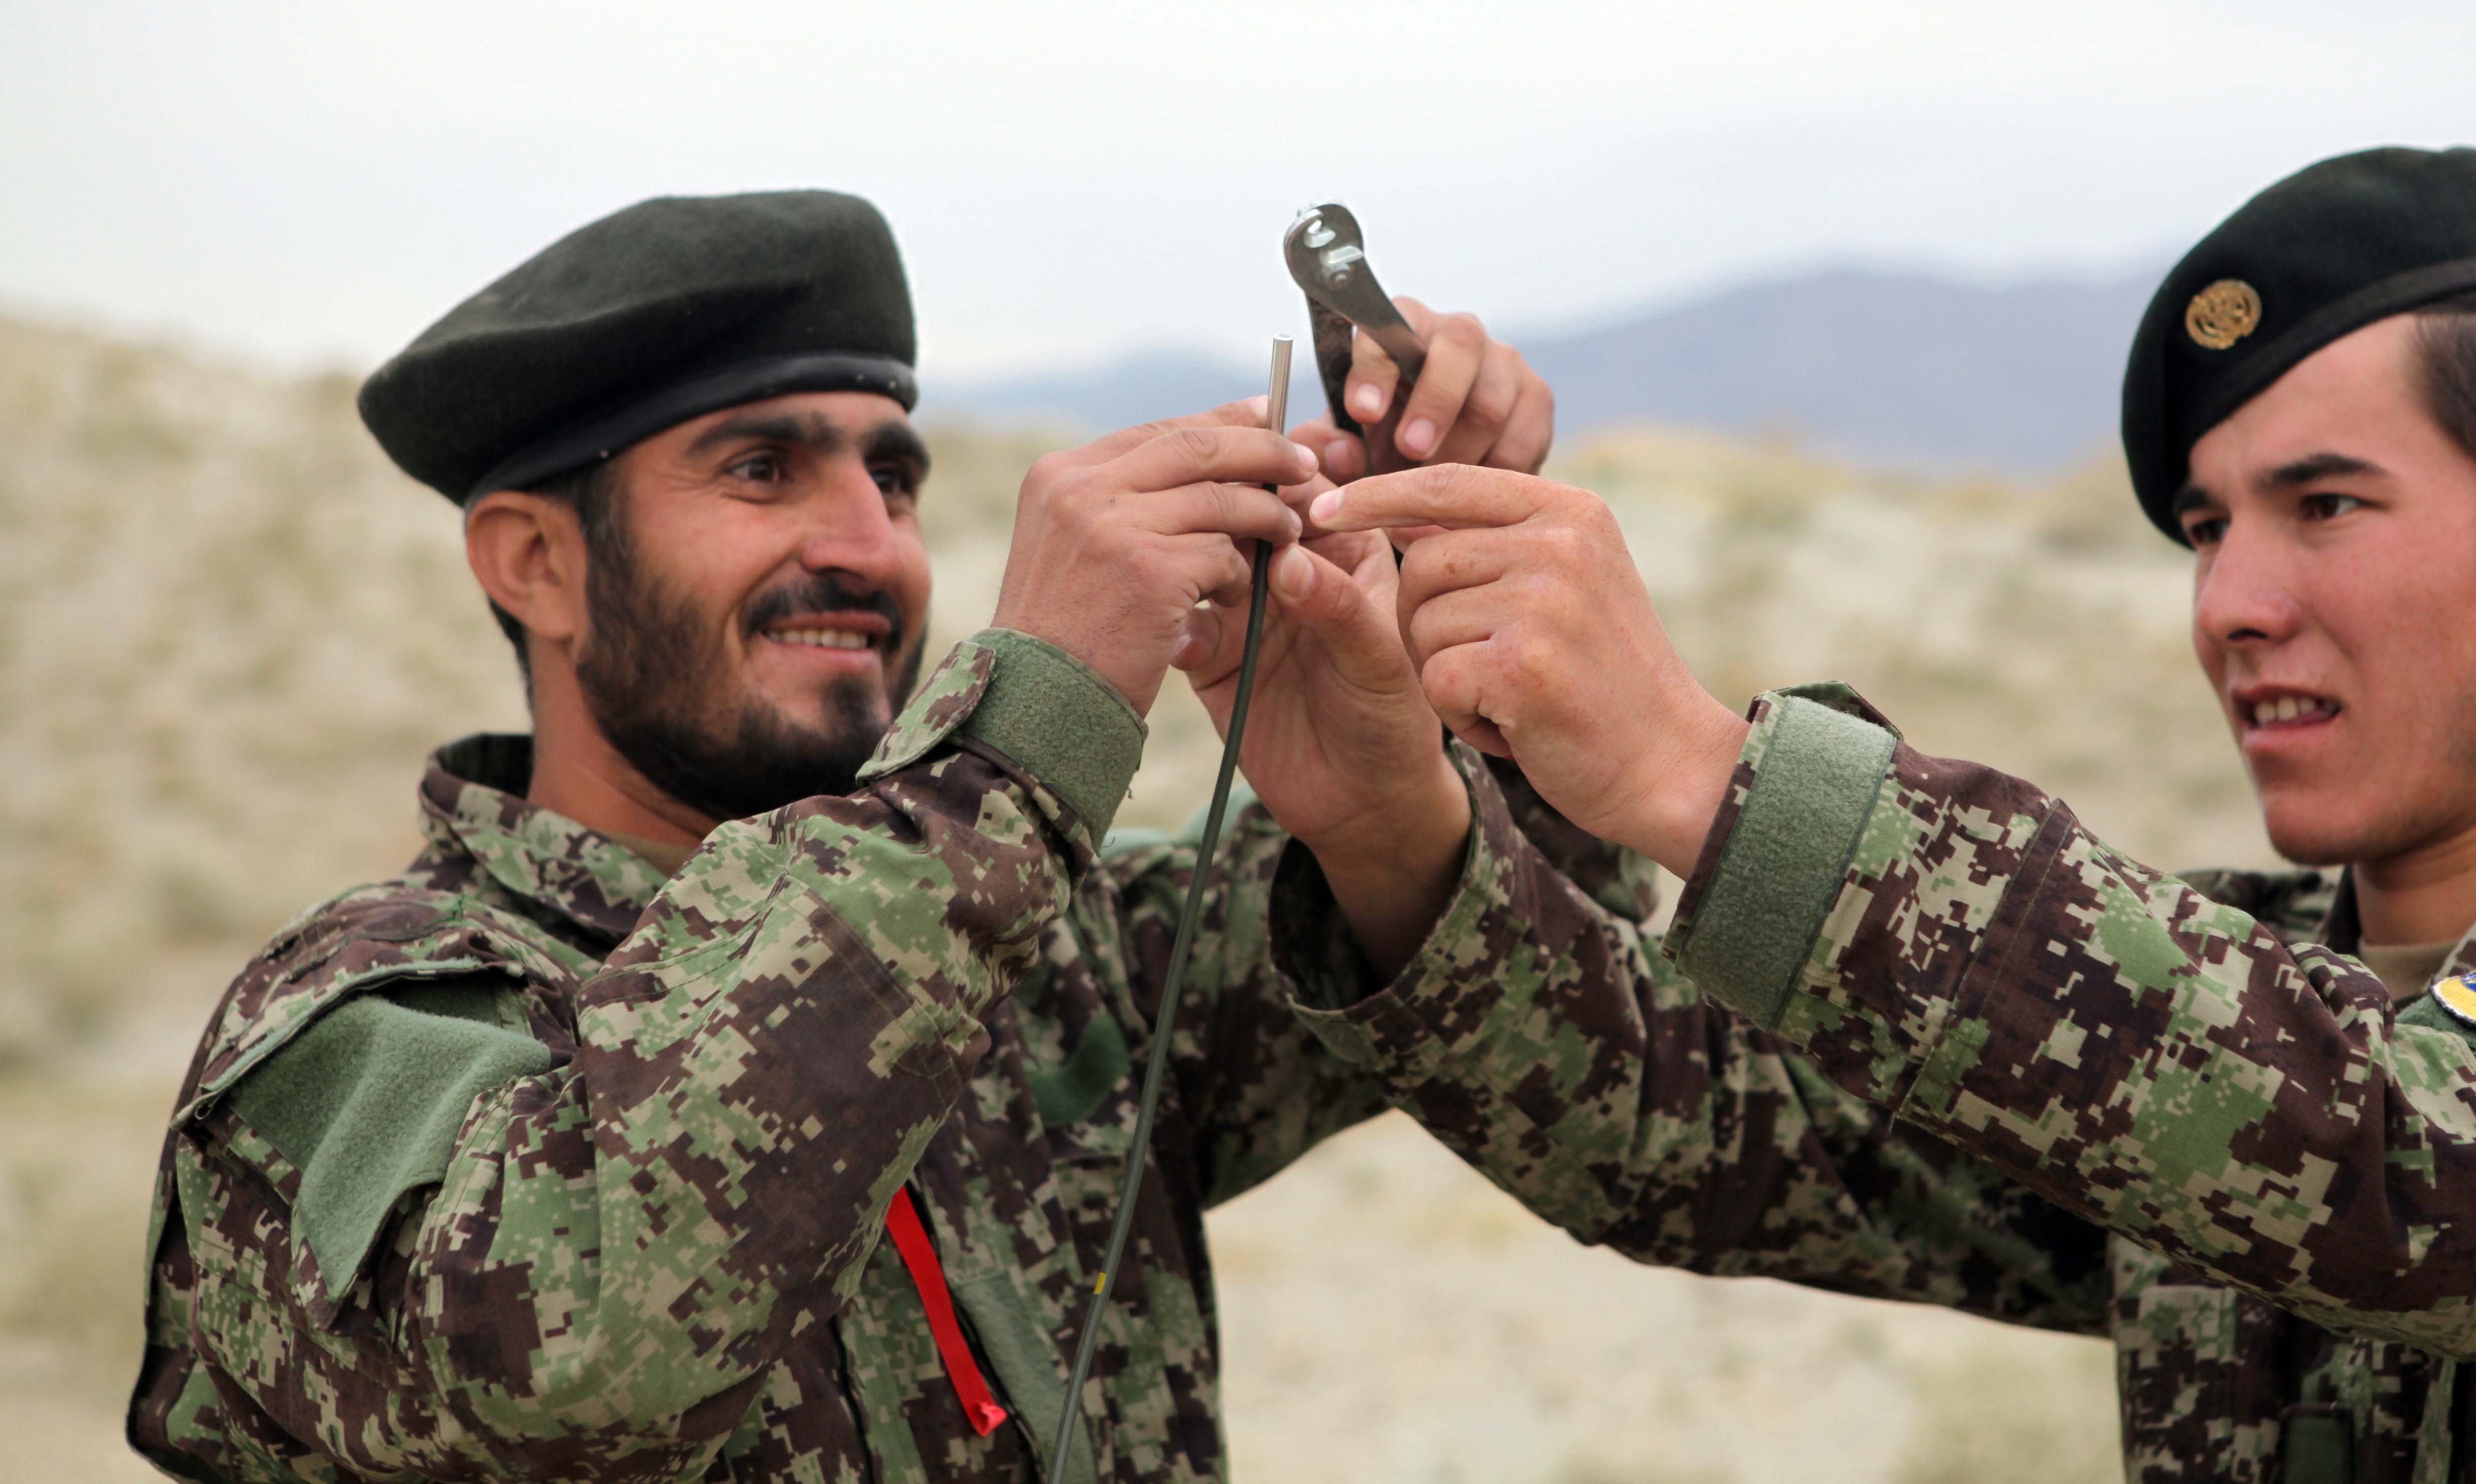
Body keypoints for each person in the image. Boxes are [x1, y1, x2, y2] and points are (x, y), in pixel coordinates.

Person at [1270, 147, 2476, 1479]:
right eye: (2207, 530)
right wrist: (1388, 812)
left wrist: (1702, 777)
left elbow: (2421, 1168)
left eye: (2326, 506)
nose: (2231, 604)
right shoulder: (2233, 994)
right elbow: (1676, 1115)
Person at [125, 189, 1592, 1482]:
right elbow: (571, 1366)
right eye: (762, 470)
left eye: (893, 479)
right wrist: (1024, 732)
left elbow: (1533, 979)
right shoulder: (362, 1028)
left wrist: (1448, 634)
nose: (870, 545)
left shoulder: (1051, 943)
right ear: (538, 562)